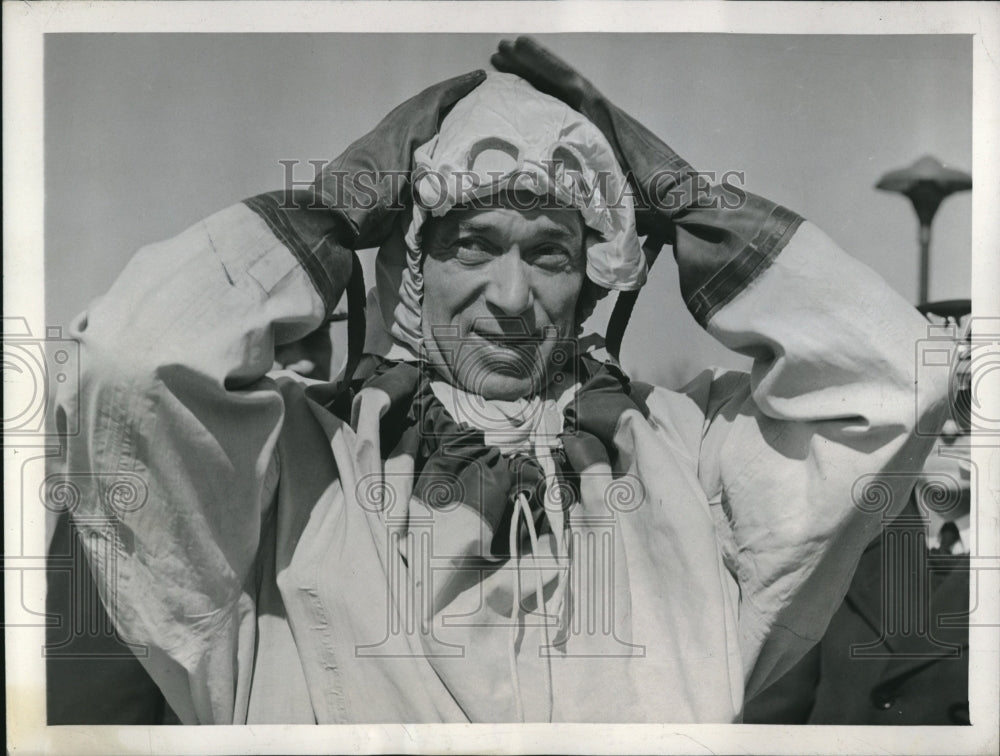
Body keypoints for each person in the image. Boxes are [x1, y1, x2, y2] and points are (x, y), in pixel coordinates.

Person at [51, 38, 952, 724]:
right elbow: (130, 365)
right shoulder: (295, 474)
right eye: (472, 245)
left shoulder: (686, 456)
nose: (512, 299)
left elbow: (893, 382)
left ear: (597, 268)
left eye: (550, 254)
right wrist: (323, 216)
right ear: (412, 263)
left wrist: (685, 199)